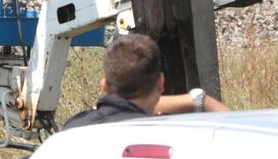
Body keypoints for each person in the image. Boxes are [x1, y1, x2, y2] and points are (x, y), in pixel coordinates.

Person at [61, 33, 228, 129]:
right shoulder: (168, 139)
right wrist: (201, 101)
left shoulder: (73, 130)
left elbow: (121, 107)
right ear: (161, 83)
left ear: (105, 85)